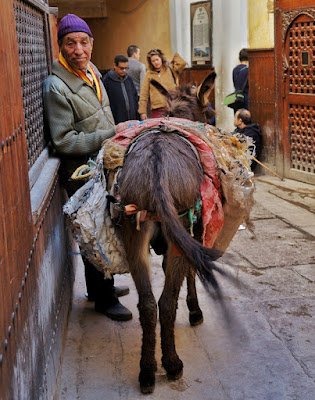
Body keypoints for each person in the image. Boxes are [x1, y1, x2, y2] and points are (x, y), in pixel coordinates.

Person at [43, 14, 132, 321]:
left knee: (107, 227)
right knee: (94, 232)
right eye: (71, 43)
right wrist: (109, 134)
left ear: (92, 44)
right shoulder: (56, 86)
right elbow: (63, 141)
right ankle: (104, 299)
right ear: (61, 47)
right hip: (81, 172)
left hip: (102, 166)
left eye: (83, 42)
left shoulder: (92, 71)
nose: (78, 49)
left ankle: (100, 287)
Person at [138, 49, 186, 119]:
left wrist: (174, 58)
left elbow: (182, 63)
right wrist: (142, 112)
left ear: (161, 58)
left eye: (157, 59)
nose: (156, 62)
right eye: (153, 61)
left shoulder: (170, 69)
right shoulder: (148, 74)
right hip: (157, 109)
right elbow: (144, 94)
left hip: (172, 107)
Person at [102, 55, 139, 124]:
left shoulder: (129, 79)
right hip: (117, 121)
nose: (124, 70)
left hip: (132, 120)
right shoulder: (107, 81)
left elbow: (135, 98)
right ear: (115, 66)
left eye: (126, 68)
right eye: (121, 68)